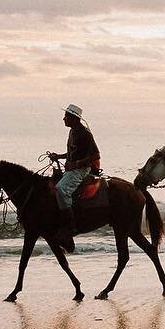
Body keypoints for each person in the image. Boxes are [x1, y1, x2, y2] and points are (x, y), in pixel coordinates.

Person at [53, 103, 101, 241]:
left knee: (61, 189)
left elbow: (96, 155)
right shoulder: (72, 131)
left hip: (81, 170)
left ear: (74, 118)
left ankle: (70, 226)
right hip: (72, 168)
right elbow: (72, 152)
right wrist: (59, 156)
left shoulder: (85, 133)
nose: (64, 119)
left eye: (66, 116)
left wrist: (76, 164)